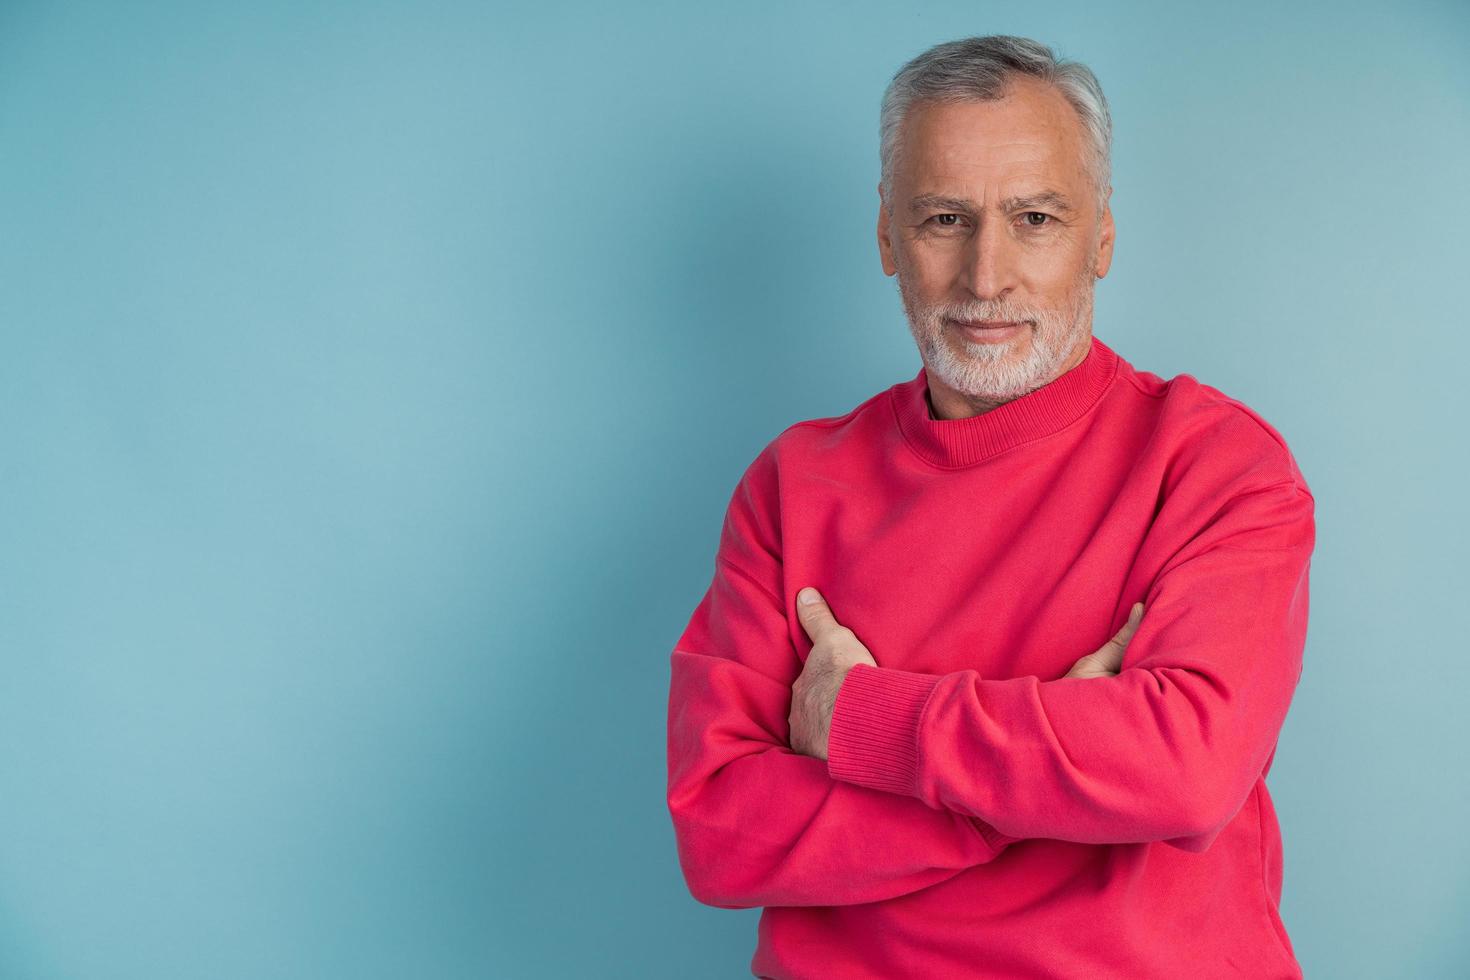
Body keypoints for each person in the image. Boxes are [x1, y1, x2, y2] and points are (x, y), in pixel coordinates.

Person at [665, 35, 1313, 980]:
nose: (985, 275)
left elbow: (1186, 771)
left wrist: (862, 723)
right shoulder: (794, 482)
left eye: (1036, 217)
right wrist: (1047, 776)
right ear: (888, 237)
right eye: (943, 219)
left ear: (1101, 236)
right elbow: (721, 832)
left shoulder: (1215, 464)